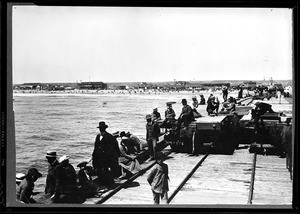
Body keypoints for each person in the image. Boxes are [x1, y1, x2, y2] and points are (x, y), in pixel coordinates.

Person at [92, 121, 120, 188]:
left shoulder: (109, 136)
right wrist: (94, 155)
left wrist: (111, 156)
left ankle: (109, 183)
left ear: (104, 128)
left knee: (106, 170)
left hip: (107, 157)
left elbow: (113, 147)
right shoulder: (98, 136)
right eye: (100, 128)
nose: (101, 129)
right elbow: (96, 146)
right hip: (99, 157)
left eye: (102, 128)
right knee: (99, 170)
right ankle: (103, 183)